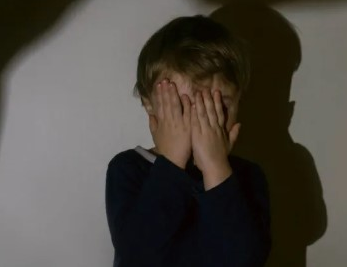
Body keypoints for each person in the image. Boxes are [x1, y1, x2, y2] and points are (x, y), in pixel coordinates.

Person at [105, 15, 271, 267]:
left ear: (240, 102)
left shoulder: (247, 176)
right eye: (183, 107)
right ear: (150, 105)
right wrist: (172, 162)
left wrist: (215, 168)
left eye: (218, 107)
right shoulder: (128, 169)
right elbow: (136, 257)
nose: (202, 121)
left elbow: (245, 260)